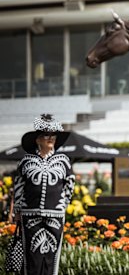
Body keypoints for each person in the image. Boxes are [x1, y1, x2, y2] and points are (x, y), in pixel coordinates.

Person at [13, 113, 75, 275]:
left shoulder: (63, 160)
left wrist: (63, 206)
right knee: (31, 255)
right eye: (46, 135)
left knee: (51, 255)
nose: (50, 138)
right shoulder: (26, 161)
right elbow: (18, 187)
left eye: (53, 135)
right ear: (37, 139)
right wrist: (17, 211)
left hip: (55, 215)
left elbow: (70, 184)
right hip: (29, 214)